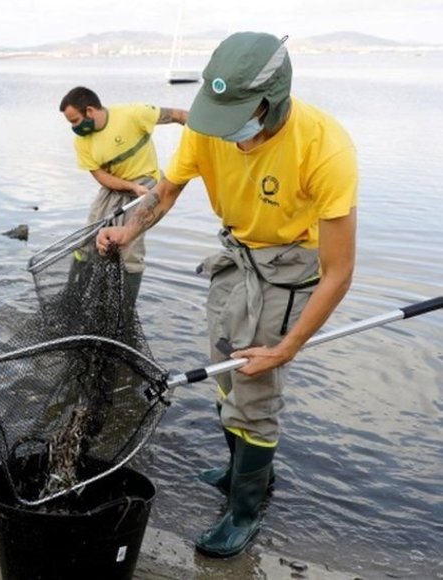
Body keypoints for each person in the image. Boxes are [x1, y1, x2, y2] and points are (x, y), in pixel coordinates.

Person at [95, 32, 358, 558]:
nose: (225, 128)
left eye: (238, 112)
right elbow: (165, 192)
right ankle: (242, 469)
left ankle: (246, 509)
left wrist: (289, 347)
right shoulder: (209, 125)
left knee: (256, 387)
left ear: (273, 100)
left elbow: (339, 272)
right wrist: (128, 231)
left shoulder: (325, 147)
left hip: (290, 267)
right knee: (222, 370)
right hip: (234, 256)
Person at [59, 86, 188, 304]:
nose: (73, 128)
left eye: (74, 121)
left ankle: (124, 314)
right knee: (87, 242)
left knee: (129, 251)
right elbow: (100, 176)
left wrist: (207, 139)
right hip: (114, 188)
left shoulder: (133, 114)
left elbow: (179, 115)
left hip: (146, 187)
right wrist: (129, 186)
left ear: (90, 111)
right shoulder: (81, 141)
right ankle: (72, 301)